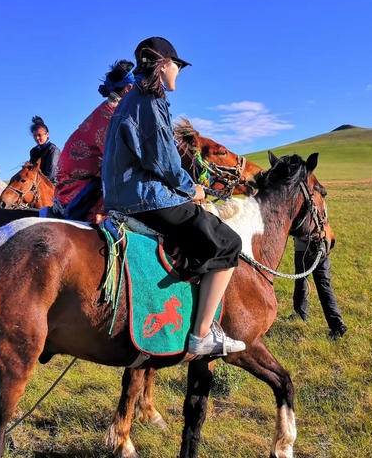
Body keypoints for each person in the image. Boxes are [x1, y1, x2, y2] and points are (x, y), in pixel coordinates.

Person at [102, 37, 245, 356]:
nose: (179, 73)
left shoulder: (129, 99)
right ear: (165, 65)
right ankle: (203, 334)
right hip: (144, 199)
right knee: (228, 243)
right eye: (178, 66)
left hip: (121, 197)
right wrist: (191, 188)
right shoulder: (150, 100)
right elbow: (164, 161)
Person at [53, 60, 135, 221]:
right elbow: (119, 162)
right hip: (76, 188)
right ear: (129, 89)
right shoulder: (112, 116)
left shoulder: (109, 109)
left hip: (78, 179)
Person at [293, 236, 347, 338]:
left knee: (301, 282)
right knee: (324, 285)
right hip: (322, 248)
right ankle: (337, 325)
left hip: (304, 250)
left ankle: (300, 314)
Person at [29, 116, 61, 184]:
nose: (37, 138)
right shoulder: (33, 151)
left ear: (47, 134)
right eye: (35, 135)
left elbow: (51, 174)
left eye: (39, 135)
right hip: (37, 184)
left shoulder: (53, 150)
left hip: (53, 185)